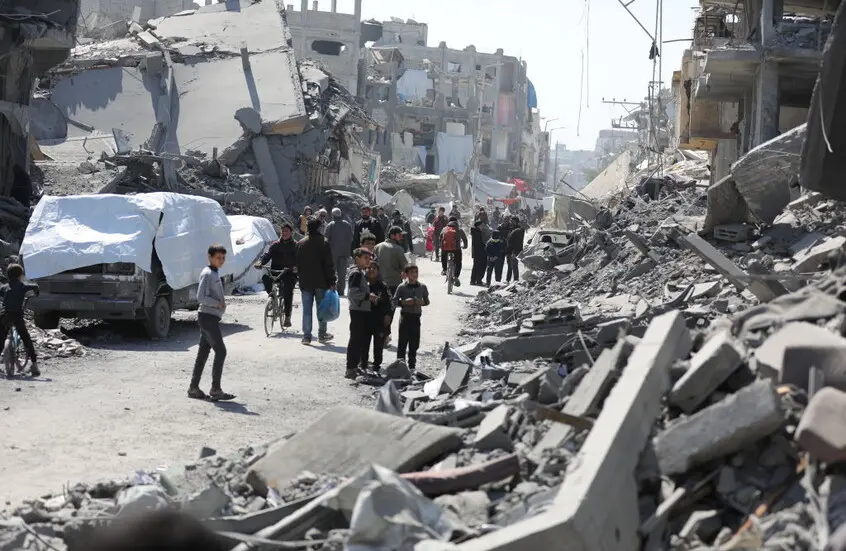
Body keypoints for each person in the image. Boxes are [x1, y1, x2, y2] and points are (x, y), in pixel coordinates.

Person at [188, 244, 235, 401]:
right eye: (218, 258)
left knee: (203, 353)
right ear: (209, 257)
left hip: (210, 317)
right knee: (221, 351)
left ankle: (193, 388)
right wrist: (218, 304)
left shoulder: (214, 272)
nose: (221, 261)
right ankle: (215, 389)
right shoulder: (208, 274)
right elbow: (201, 297)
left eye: (223, 258)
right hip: (207, 318)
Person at [296, 217, 336, 345]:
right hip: (321, 282)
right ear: (319, 228)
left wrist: (299, 279)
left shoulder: (301, 243)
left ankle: (306, 337)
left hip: (305, 282)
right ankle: (322, 334)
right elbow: (328, 264)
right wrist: (332, 281)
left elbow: (297, 264)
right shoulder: (324, 242)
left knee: (307, 310)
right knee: (321, 309)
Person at [253, 224, 297, 327]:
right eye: (283, 231)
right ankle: (272, 298)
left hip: (289, 273)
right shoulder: (275, 245)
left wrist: (296, 267)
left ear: (291, 233)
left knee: (288, 292)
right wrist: (260, 262)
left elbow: (300, 258)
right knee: (265, 278)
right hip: (275, 272)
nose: (284, 233)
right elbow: (267, 255)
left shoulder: (296, 245)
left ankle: (287, 317)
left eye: (286, 231)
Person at [0, 264, 39, 376]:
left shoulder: (4, 287)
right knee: (26, 339)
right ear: (20, 275)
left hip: (4, 315)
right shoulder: (23, 286)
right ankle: (34, 365)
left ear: (8, 275)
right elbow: (35, 286)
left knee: (1, 338)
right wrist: (36, 292)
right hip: (17, 316)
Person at [374, 226, 408, 347]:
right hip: (393, 284)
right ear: (393, 235)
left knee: (379, 310)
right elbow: (405, 267)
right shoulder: (398, 249)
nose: (401, 237)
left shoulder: (377, 247)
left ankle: (380, 335)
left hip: (377, 283)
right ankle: (384, 336)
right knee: (389, 312)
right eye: (399, 235)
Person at [393, 264, 429, 371]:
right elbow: (394, 302)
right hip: (405, 318)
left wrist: (421, 302)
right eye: (412, 272)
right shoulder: (402, 287)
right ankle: (400, 367)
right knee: (402, 343)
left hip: (416, 318)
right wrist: (404, 302)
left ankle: (412, 366)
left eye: (416, 272)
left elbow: (427, 301)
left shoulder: (422, 287)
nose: (414, 275)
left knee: (414, 344)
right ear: (406, 274)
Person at [345, 248, 372, 379]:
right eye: (365, 258)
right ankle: (350, 368)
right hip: (357, 310)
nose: (368, 261)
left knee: (359, 340)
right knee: (355, 340)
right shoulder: (356, 273)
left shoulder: (361, 272)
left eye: (369, 258)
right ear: (357, 258)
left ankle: (355, 366)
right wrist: (367, 296)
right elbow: (352, 293)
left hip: (361, 309)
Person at [362, 261, 392, 373]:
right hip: (365, 319)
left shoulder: (383, 286)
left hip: (379, 320)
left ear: (378, 271)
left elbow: (390, 302)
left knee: (378, 345)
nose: (371, 270)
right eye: (369, 268)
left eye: (374, 268)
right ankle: (363, 364)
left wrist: (388, 315)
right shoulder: (363, 284)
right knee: (364, 344)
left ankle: (376, 366)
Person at [324, 208, 353, 296]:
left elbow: (325, 239)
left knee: (331, 272)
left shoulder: (331, 225)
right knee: (342, 274)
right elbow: (351, 238)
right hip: (344, 253)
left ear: (333, 215)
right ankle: (340, 291)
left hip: (333, 253)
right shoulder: (347, 225)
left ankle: (330, 290)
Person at [440, 218, 468, 286]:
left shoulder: (444, 229)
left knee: (443, 255)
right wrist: (465, 246)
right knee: (458, 262)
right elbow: (465, 239)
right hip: (456, 249)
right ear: (456, 222)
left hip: (446, 249)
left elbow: (440, 238)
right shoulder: (459, 229)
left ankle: (444, 269)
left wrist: (441, 247)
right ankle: (456, 276)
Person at [505, 216, 525, 283]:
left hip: (514, 252)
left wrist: (515, 252)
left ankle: (516, 280)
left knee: (514, 266)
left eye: (513, 221)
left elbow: (518, 243)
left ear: (517, 222)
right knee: (510, 266)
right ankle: (508, 280)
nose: (511, 222)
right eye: (511, 221)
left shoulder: (519, 230)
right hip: (509, 251)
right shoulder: (511, 229)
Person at [470, 220, 488, 286]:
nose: (483, 227)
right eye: (482, 225)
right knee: (481, 266)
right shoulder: (477, 232)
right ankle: (478, 281)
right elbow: (479, 243)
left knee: (476, 266)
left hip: (477, 252)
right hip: (480, 252)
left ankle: (473, 280)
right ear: (478, 226)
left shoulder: (475, 232)